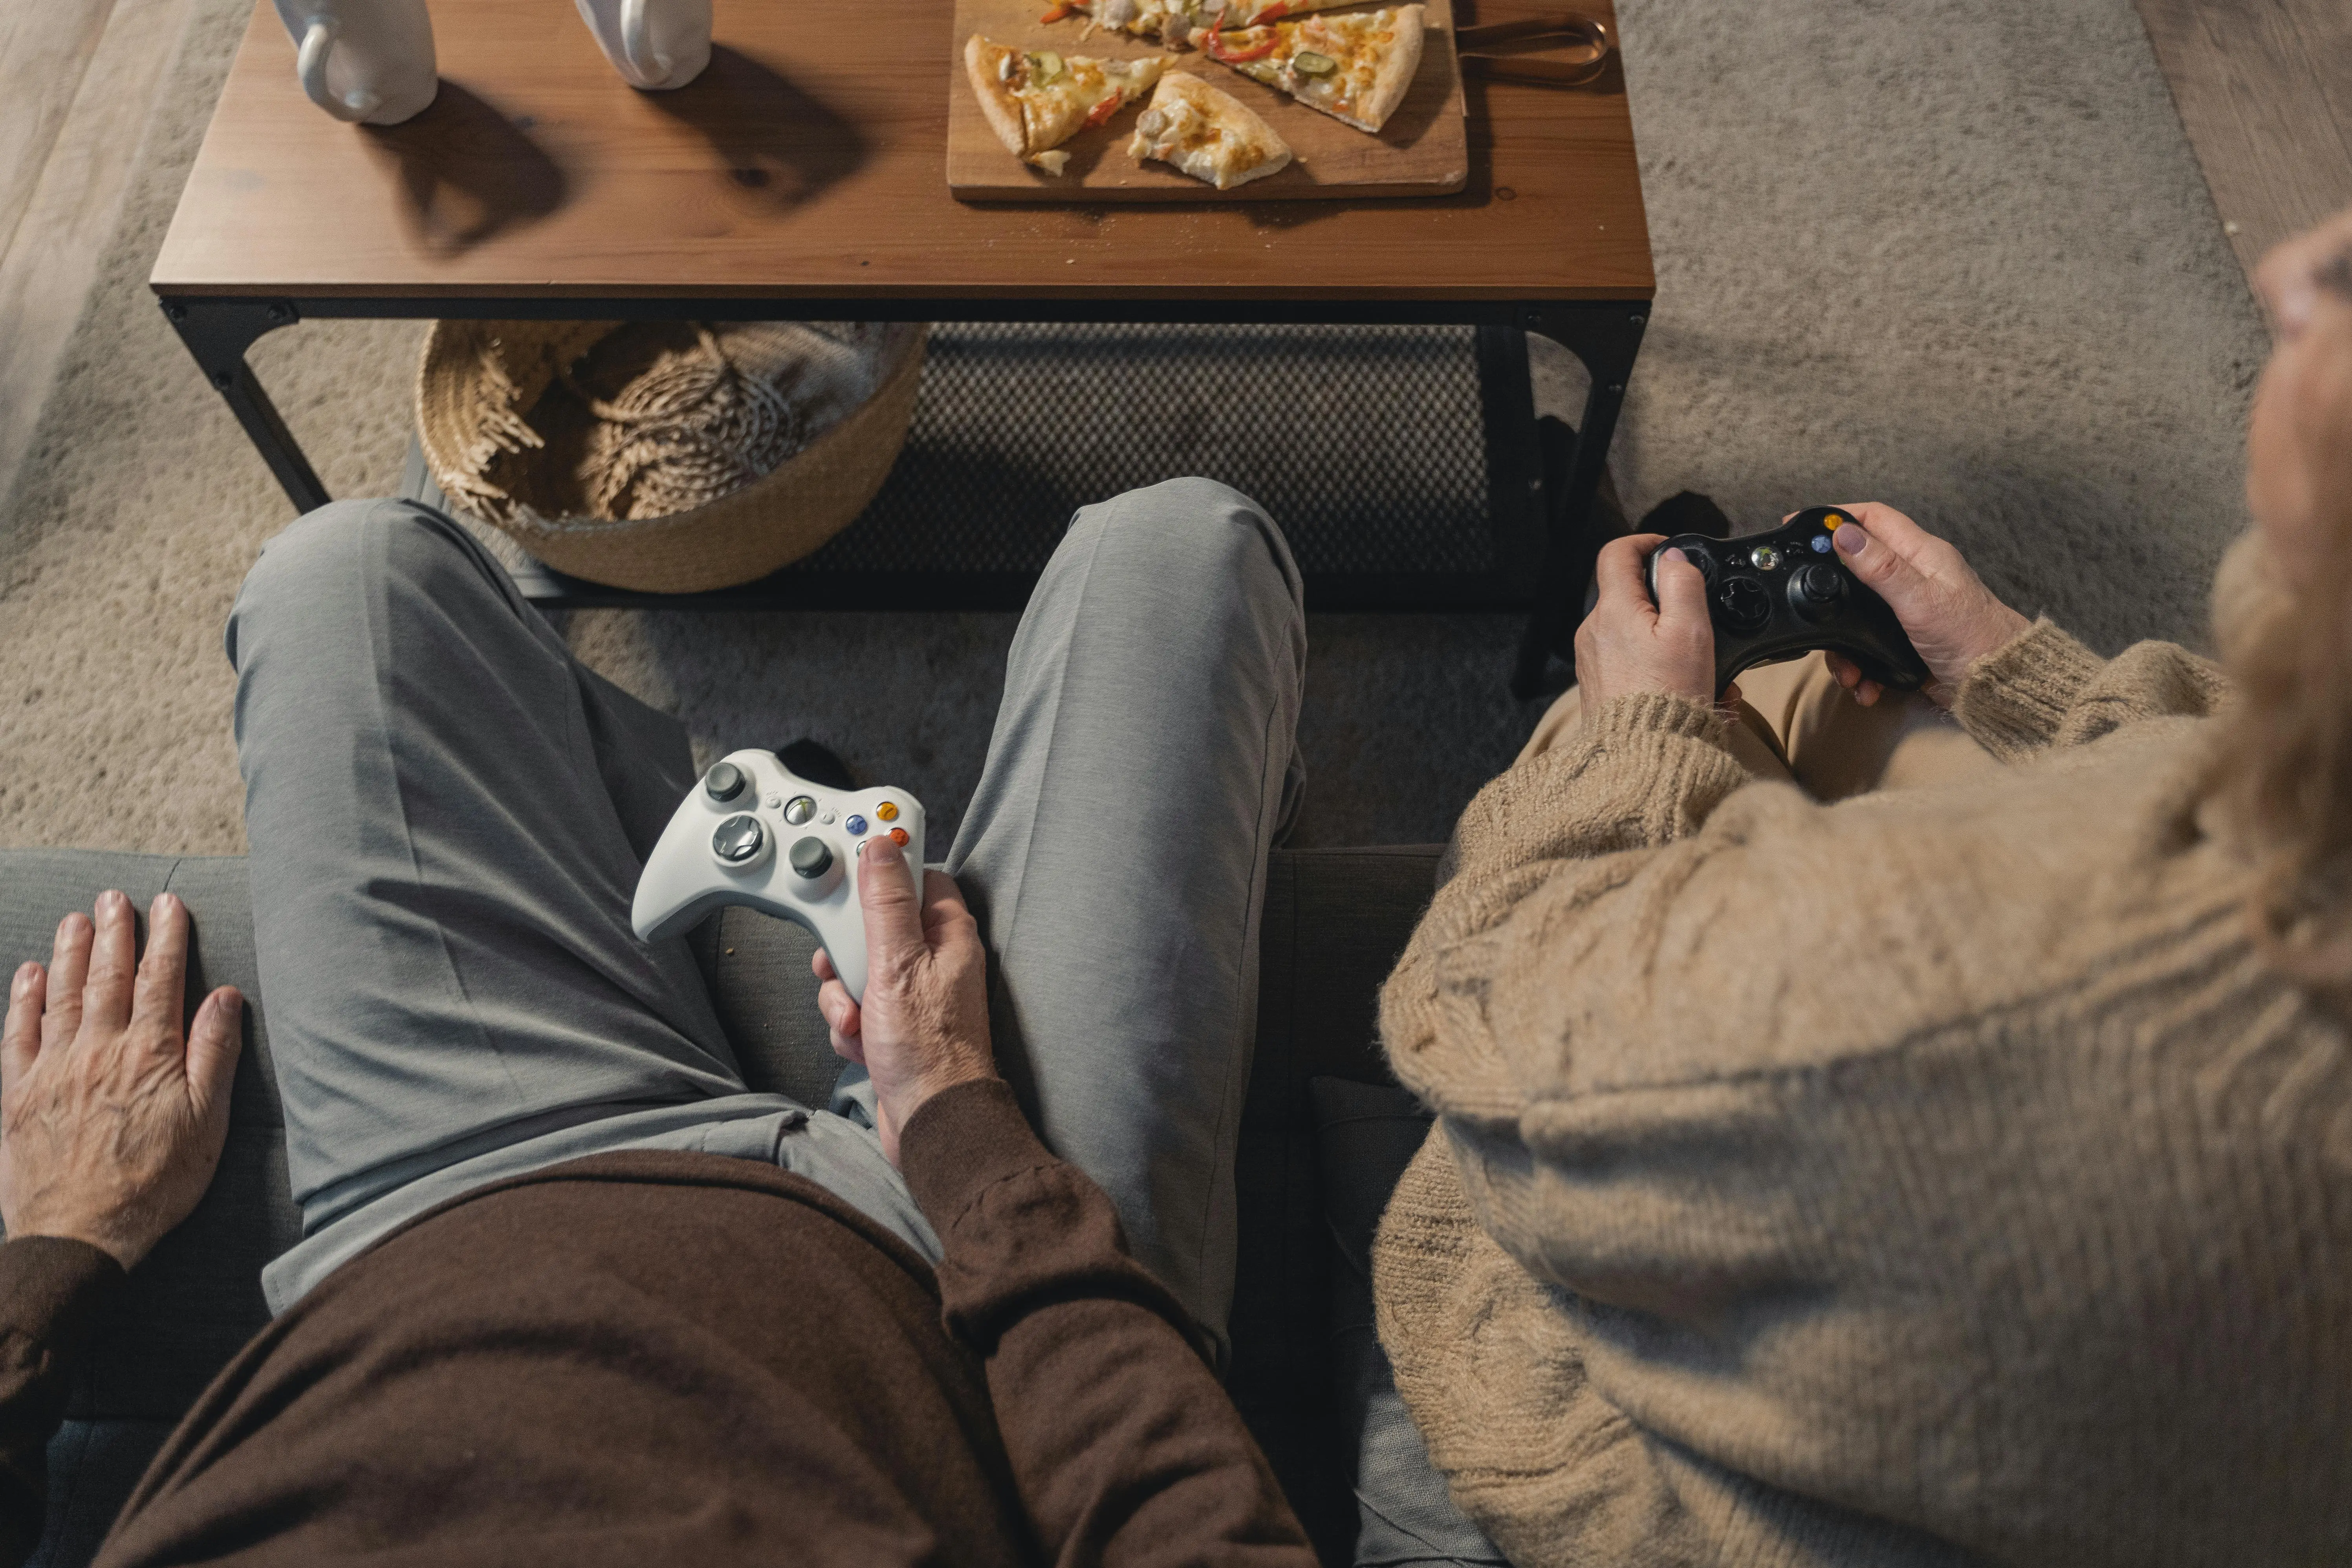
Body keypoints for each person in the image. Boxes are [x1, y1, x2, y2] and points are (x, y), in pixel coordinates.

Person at [0, 478, 1319, 1566]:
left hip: (438, 1219)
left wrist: (58, 1244)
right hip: (951, 1307)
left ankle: (654, 837)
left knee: (344, 572)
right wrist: (963, 1122)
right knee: (1174, 555)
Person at [1371, 212, 2352, 1566]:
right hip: (2156, 1426)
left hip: (1702, 1477)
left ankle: (1604, 667)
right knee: (1792, 681)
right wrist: (2012, 665)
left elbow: (1480, 1030)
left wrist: (1627, 742)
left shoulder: (1954, 993)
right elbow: (2227, 772)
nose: (2288, 267)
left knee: (1609, 750)